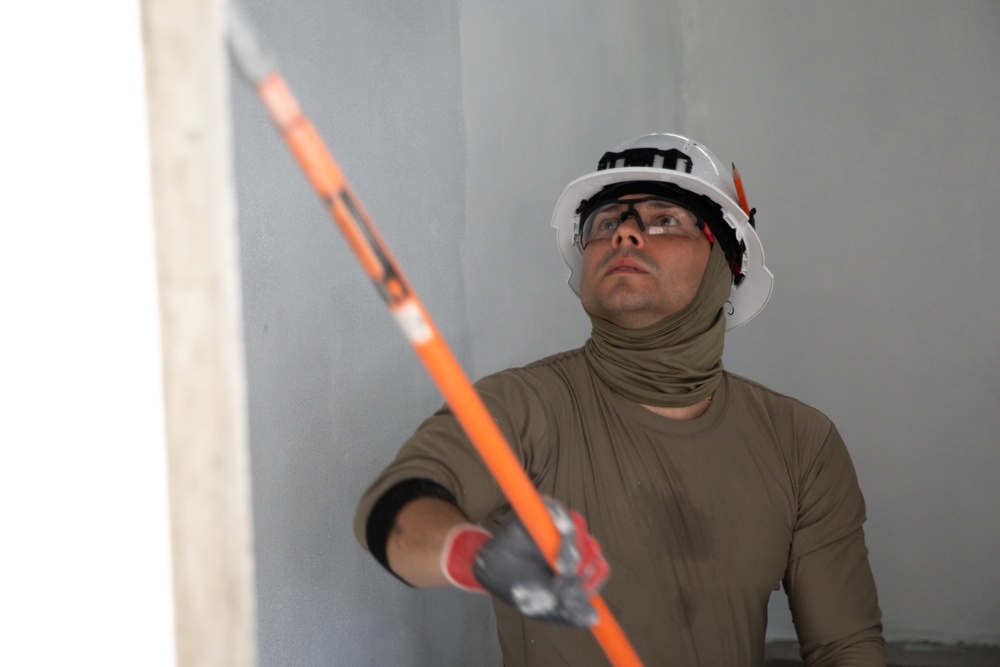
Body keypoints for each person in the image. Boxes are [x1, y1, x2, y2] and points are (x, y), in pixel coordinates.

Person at [353, 133, 885, 666]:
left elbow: (845, 645)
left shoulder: (800, 441)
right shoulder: (520, 406)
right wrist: (480, 558)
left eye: (665, 219)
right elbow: (392, 512)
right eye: (605, 223)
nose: (625, 233)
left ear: (727, 263)